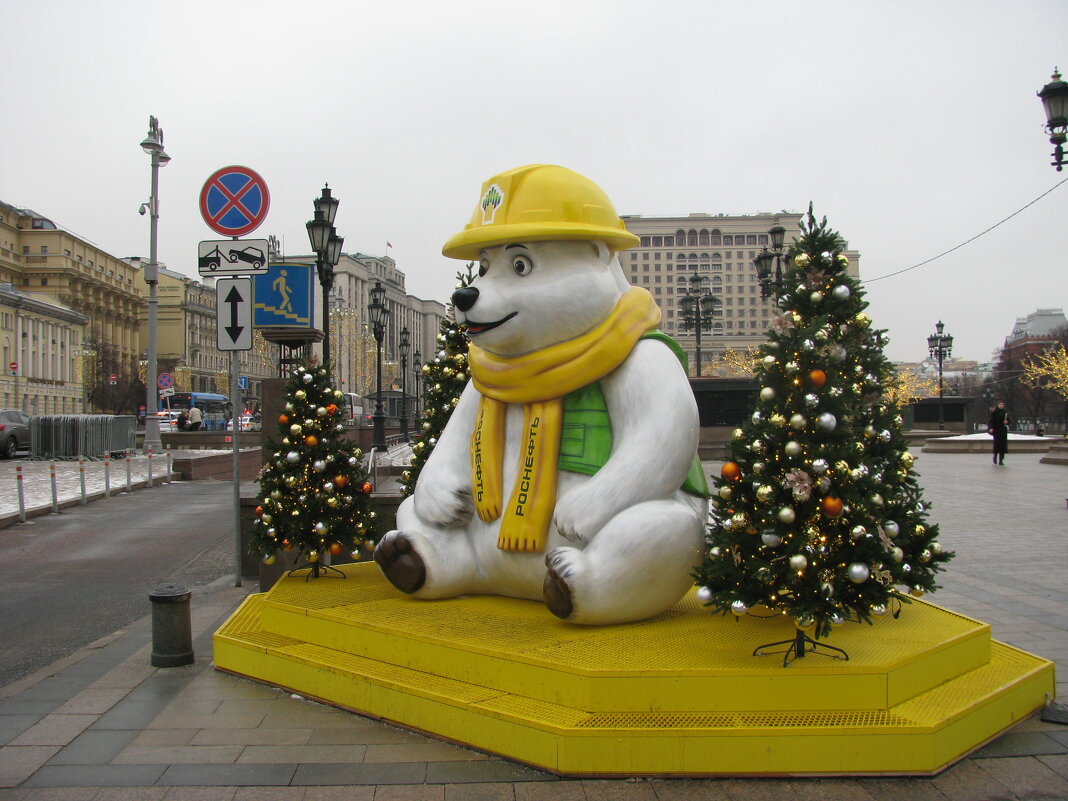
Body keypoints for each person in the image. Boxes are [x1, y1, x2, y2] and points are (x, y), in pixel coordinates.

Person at [988, 400, 1009, 465]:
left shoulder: (1005, 413)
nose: (1001, 406)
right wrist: (991, 428)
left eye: (1002, 404)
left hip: (1003, 430)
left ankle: (1001, 460)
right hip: (997, 430)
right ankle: (995, 456)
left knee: (1003, 445)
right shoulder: (994, 413)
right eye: (1000, 404)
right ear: (997, 405)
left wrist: (1007, 422)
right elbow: (991, 421)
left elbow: (1009, 421)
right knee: (997, 444)